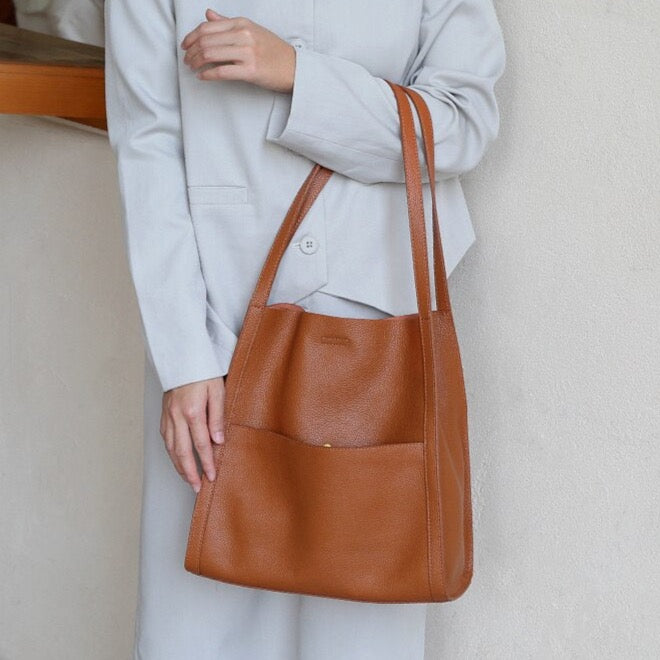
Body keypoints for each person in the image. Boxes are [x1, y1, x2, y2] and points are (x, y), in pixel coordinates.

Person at [104, 1, 505, 658]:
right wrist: (185, 358)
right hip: (215, 329)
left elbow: (460, 127)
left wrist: (298, 75)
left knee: (363, 618)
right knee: (204, 618)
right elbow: (148, 142)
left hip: (378, 317)